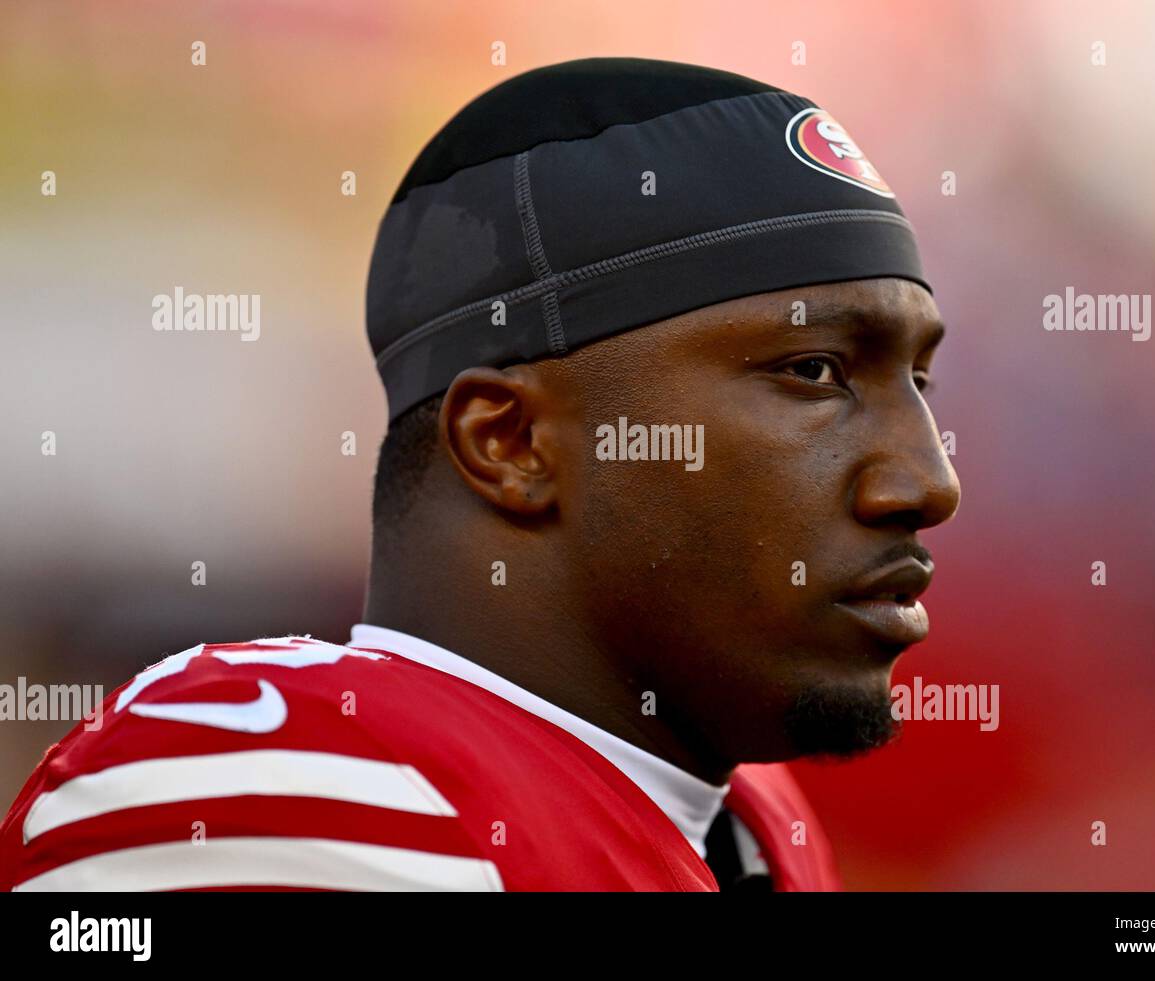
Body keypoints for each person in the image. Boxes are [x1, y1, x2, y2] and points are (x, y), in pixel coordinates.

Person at [1, 57, 959, 892]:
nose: (928, 481)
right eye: (815, 372)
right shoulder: (294, 785)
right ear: (510, 442)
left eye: (916, 380)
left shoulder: (746, 821)